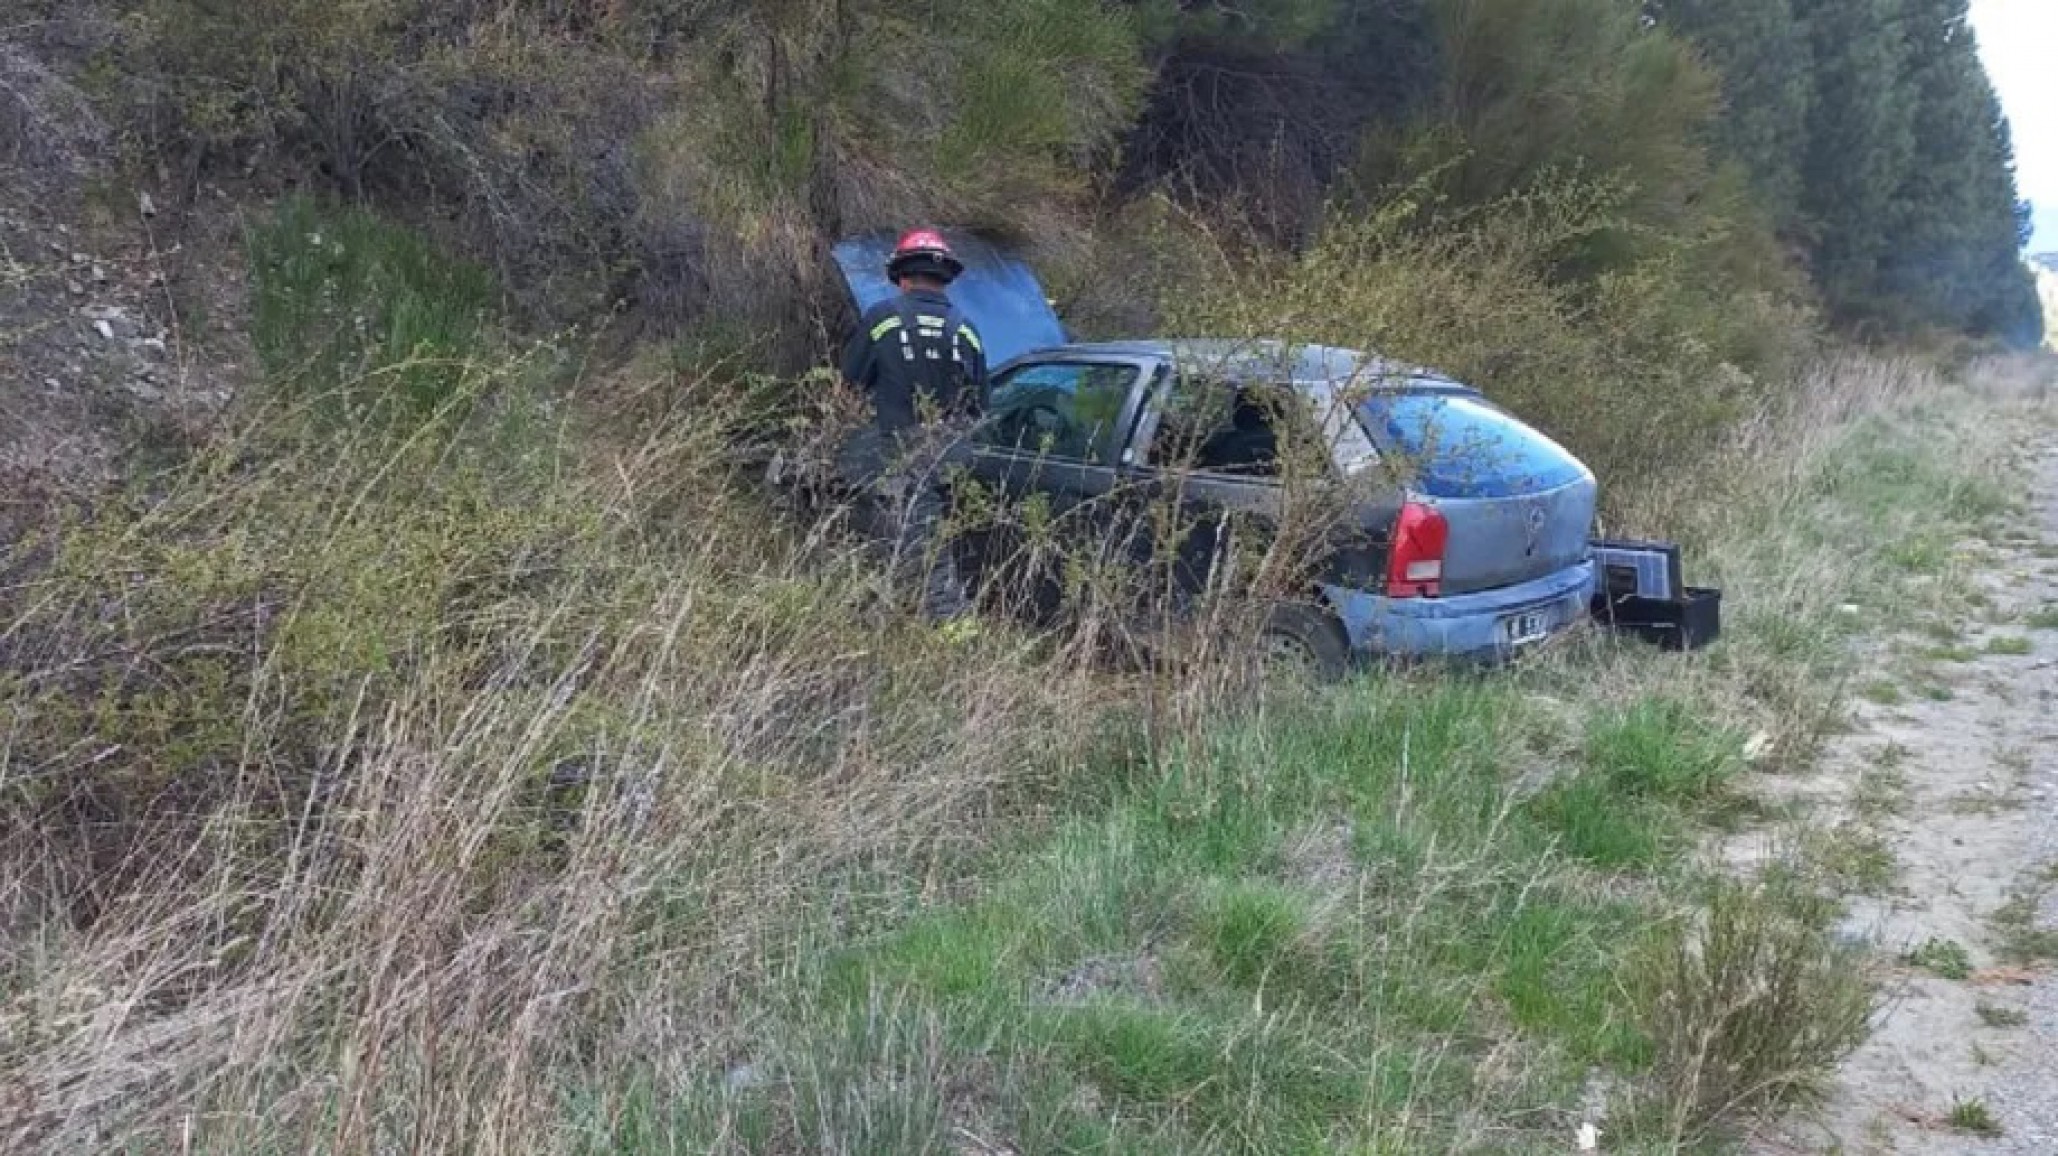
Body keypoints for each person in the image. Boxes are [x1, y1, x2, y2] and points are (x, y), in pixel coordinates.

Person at [837, 228, 989, 627]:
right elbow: (981, 404)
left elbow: (850, 382)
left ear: (902, 276)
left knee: (914, 543)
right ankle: (910, 611)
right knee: (935, 537)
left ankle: (952, 627)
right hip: (954, 456)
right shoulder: (966, 329)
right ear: (945, 278)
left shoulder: (883, 320)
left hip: (899, 453)